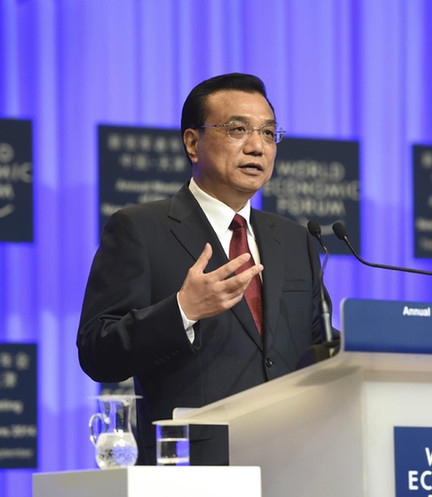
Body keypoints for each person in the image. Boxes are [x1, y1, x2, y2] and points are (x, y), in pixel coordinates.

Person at [77, 73, 335, 465]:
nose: (257, 146)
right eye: (238, 129)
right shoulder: (140, 229)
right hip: (192, 467)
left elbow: (319, 345)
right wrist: (183, 310)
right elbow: (98, 352)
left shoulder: (295, 239)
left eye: (268, 133)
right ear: (193, 143)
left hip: (295, 461)